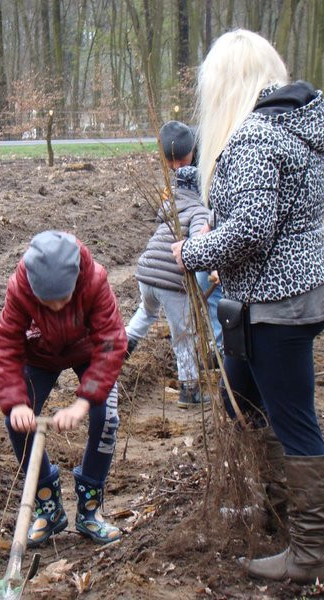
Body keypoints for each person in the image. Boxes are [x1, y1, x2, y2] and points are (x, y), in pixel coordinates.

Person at [172, 30, 324, 584]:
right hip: (292, 295)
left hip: (276, 303)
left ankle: (307, 554)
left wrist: (192, 250)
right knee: (240, 396)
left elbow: (250, 228)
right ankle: (277, 507)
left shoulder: (254, 138)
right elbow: (260, 197)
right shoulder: (295, 128)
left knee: (293, 420)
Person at [0, 231, 125, 547]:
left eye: (62, 300)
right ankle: (48, 508)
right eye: (46, 303)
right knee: (16, 421)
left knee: (105, 418)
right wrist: (17, 403)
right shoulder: (20, 288)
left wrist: (83, 403)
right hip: (41, 354)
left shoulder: (94, 281)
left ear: (76, 280)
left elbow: (111, 343)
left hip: (88, 350)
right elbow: (5, 346)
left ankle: (90, 512)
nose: (54, 308)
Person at [124, 120, 211, 408]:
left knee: (145, 314)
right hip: (171, 282)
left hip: (146, 272)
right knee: (183, 335)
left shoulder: (170, 206)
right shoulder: (200, 211)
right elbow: (199, 242)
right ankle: (189, 391)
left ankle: (118, 351)